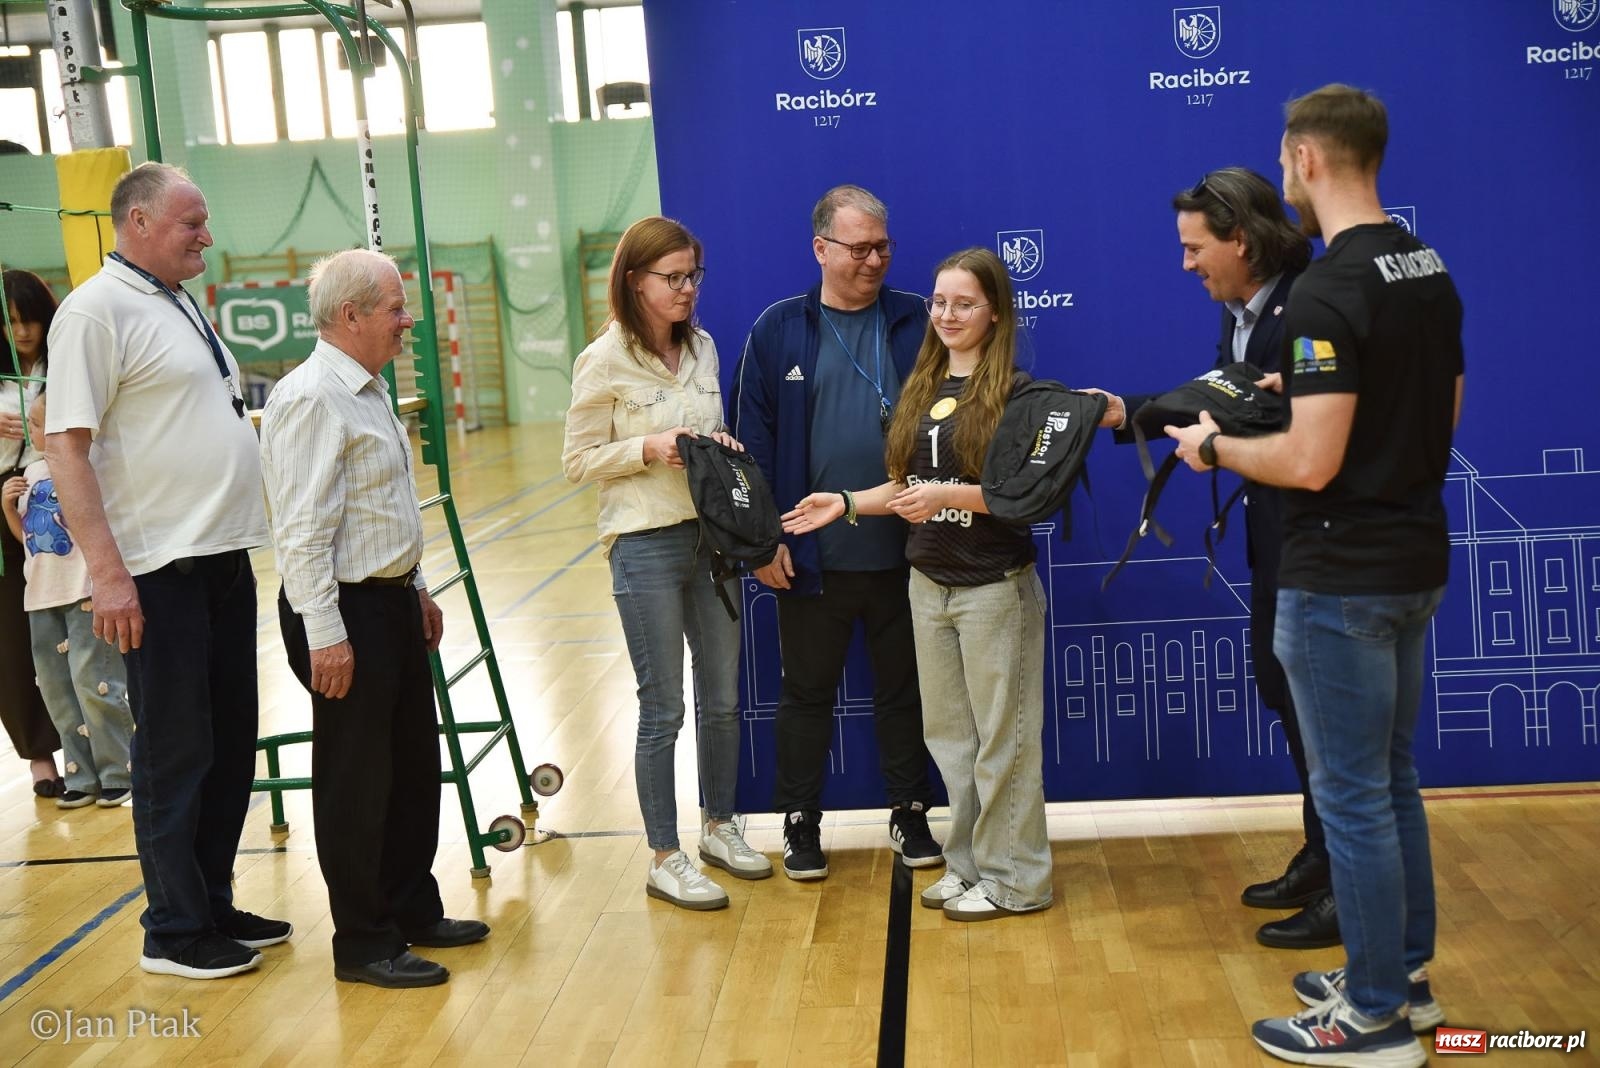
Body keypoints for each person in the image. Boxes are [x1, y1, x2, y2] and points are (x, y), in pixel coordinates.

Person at [1167, 85, 1463, 1067]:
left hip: (1339, 575)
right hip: (1414, 557)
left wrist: (1214, 447)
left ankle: (1373, 1014)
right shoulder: (1427, 269)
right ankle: (1404, 981)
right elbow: (1441, 413)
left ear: (1300, 158)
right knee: (1390, 780)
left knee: (1353, 796)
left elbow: (1306, 464)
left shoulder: (1331, 289)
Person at [45, 162, 290, 980]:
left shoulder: (175, 301)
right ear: (139, 222)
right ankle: (174, 930)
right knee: (175, 751)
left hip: (221, 558)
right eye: (193, 224)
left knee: (227, 744)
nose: (208, 238)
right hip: (158, 571)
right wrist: (108, 575)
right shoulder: (93, 312)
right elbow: (66, 446)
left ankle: (212, 902)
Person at [1083, 169, 1336, 950]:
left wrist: (1188, 430)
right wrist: (1130, 411)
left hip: (1323, 546)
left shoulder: (1311, 307)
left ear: (1243, 239)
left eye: (1197, 248)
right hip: (1276, 539)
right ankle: (1322, 855)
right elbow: (1225, 395)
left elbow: (1269, 417)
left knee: (1323, 717)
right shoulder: (1243, 315)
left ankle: (1344, 887)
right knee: (1281, 687)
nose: (1187, 264)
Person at [783, 248, 1051, 921]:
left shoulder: (1019, 394)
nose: (947, 315)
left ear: (995, 310)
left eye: (964, 303)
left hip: (993, 588)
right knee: (953, 741)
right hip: (928, 586)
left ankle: (1017, 879)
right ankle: (968, 868)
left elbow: (1025, 496)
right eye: (939, 302)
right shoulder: (924, 385)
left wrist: (948, 494)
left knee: (1003, 743)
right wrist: (844, 503)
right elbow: (909, 487)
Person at [261, 248, 490, 988]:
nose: (407, 320)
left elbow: (378, 512)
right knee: (357, 781)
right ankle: (363, 941)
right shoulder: (311, 399)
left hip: (386, 600)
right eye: (395, 308)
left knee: (412, 769)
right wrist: (326, 635)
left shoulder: (368, 389)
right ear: (351, 315)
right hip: (340, 610)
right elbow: (301, 534)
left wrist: (415, 587)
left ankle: (410, 910)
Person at [732, 184, 941, 880]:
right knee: (806, 693)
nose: (875, 260)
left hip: (911, 550)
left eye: (883, 246)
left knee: (905, 689)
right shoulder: (778, 330)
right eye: (859, 248)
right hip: (809, 555)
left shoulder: (919, 320)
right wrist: (765, 542)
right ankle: (799, 822)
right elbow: (752, 448)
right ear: (820, 249)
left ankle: (910, 812)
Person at [563, 215, 771, 911]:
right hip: (644, 545)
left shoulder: (705, 348)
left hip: (712, 542)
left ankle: (719, 826)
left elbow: (707, 432)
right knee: (664, 708)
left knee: (722, 697)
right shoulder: (603, 360)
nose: (687, 290)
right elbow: (577, 461)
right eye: (672, 278)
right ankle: (664, 854)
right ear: (634, 281)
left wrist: (716, 446)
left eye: (693, 277)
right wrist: (649, 447)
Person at [3, 389, 134, 810]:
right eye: (34, 423)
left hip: (82, 591)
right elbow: (32, 542)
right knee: (56, 690)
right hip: (40, 597)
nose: (33, 430)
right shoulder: (29, 474)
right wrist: (8, 508)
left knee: (93, 682)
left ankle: (118, 770)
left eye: (40, 422)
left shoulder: (85, 466)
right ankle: (81, 776)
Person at [1, 269, 63, 797]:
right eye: (12, 323)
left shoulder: (63, 364)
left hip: (59, 497)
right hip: (4, 501)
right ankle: (40, 757)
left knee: (78, 630)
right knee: (14, 639)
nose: (23, 333)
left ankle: (97, 750)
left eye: (32, 320)